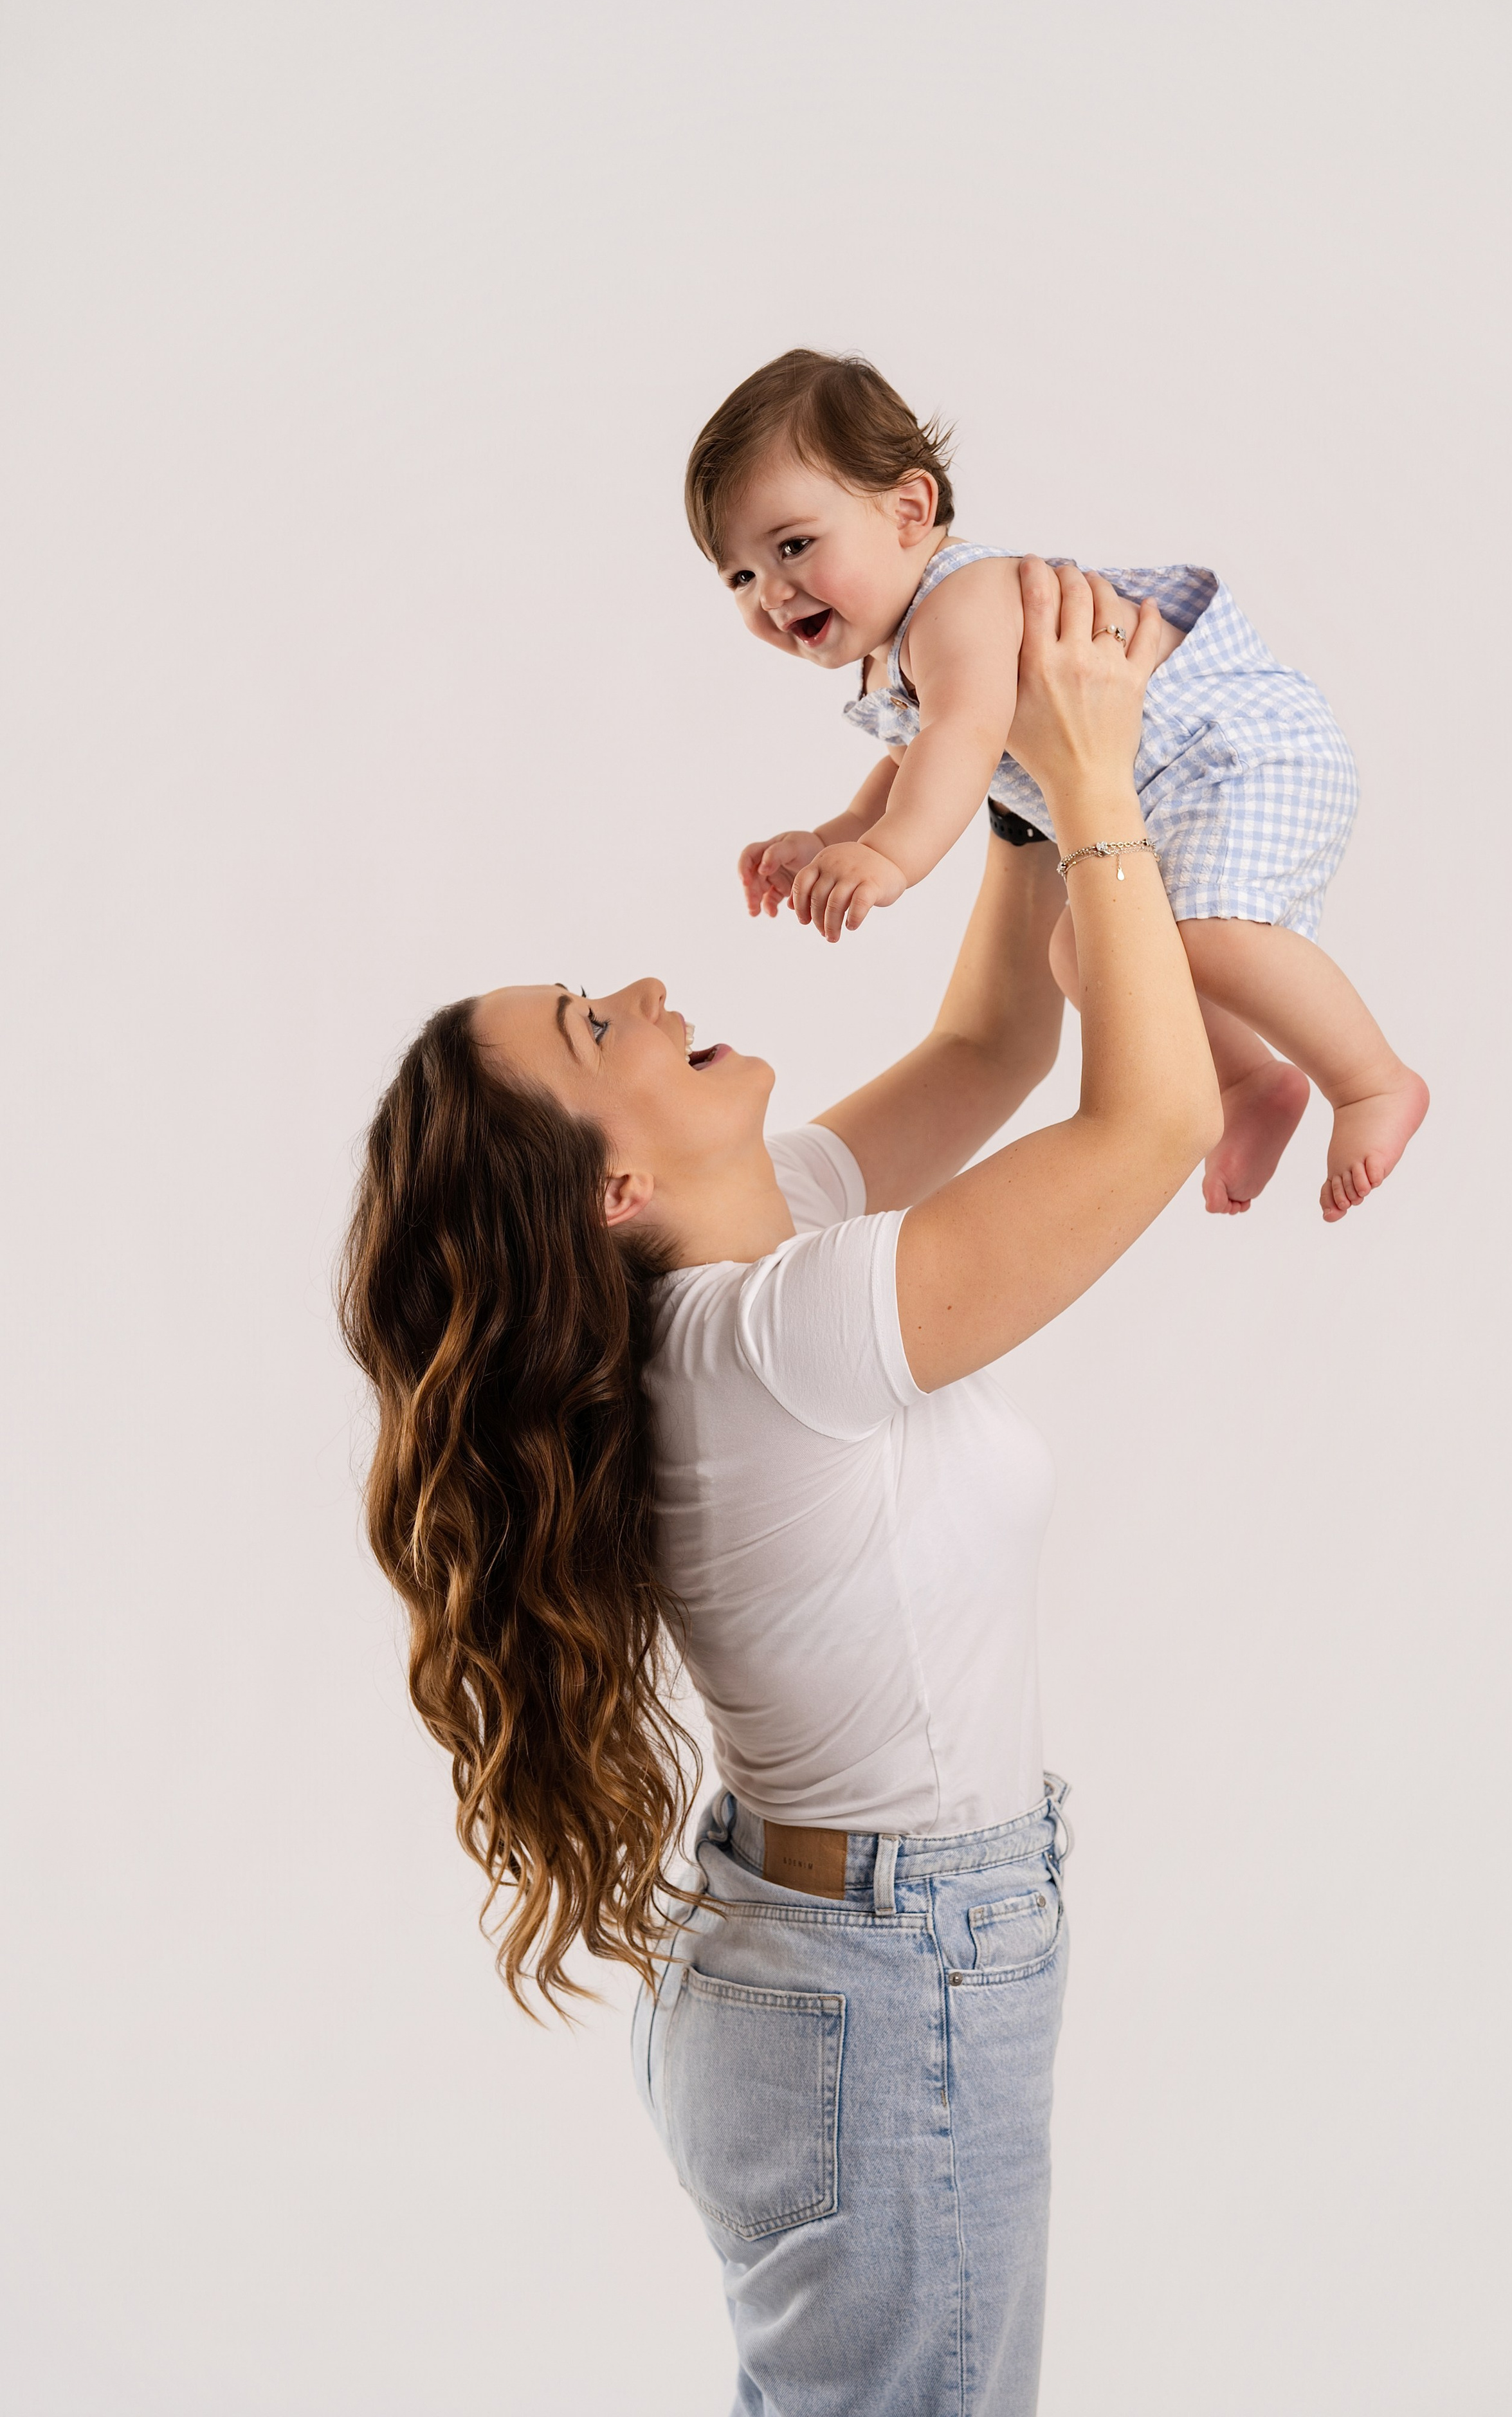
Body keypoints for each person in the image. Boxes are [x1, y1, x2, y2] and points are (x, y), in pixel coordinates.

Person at [338, 560, 1222, 2415]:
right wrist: (1099, 774)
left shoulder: (772, 1251)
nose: (650, 990)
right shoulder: (775, 1343)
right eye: (597, 1027)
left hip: (845, 1961)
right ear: (612, 1195)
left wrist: (1001, 743)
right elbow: (1155, 1124)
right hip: (887, 1982)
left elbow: (997, 1045)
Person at [688, 347, 1428, 1223]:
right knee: (1087, 954)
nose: (771, 593)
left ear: (909, 510)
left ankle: (1374, 1083)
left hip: (1236, 752)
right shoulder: (904, 645)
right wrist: (838, 832)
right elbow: (910, 761)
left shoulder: (958, 606)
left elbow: (958, 740)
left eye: (794, 546)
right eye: (739, 576)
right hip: (1165, 788)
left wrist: (888, 859)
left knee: (1211, 934)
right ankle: (1249, 1080)